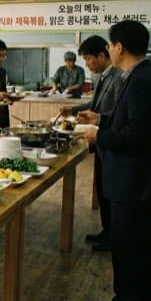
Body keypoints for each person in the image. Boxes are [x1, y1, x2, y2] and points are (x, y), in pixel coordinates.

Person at [79, 20, 151, 301]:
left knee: (135, 254)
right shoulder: (137, 75)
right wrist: (101, 118)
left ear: (120, 47)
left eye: (110, 45)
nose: (108, 50)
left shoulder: (144, 79)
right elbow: (130, 121)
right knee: (123, 247)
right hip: (128, 180)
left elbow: (138, 135)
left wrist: (99, 134)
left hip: (138, 182)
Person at [59, 35, 122, 253]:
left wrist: (96, 120)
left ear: (103, 55)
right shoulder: (103, 77)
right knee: (103, 191)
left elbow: (113, 113)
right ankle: (108, 232)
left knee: (110, 192)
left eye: (88, 59)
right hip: (101, 142)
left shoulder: (118, 76)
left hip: (109, 141)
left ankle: (113, 237)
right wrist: (74, 110)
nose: (86, 64)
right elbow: (95, 104)